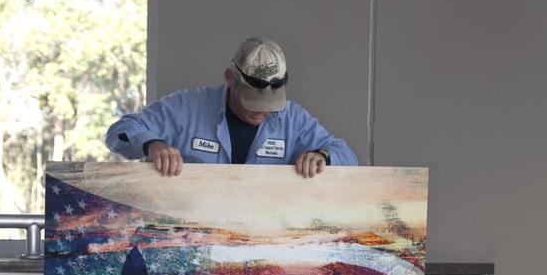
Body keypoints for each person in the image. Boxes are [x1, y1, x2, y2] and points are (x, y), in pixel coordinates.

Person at [104, 36, 358, 179]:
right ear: (229, 79)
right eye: (253, 100)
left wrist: (323, 156)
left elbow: (347, 157)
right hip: (193, 232)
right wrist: (152, 144)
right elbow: (120, 131)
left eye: (270, 103)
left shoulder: (293, 119)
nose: (261, 111)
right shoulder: (187, 108)